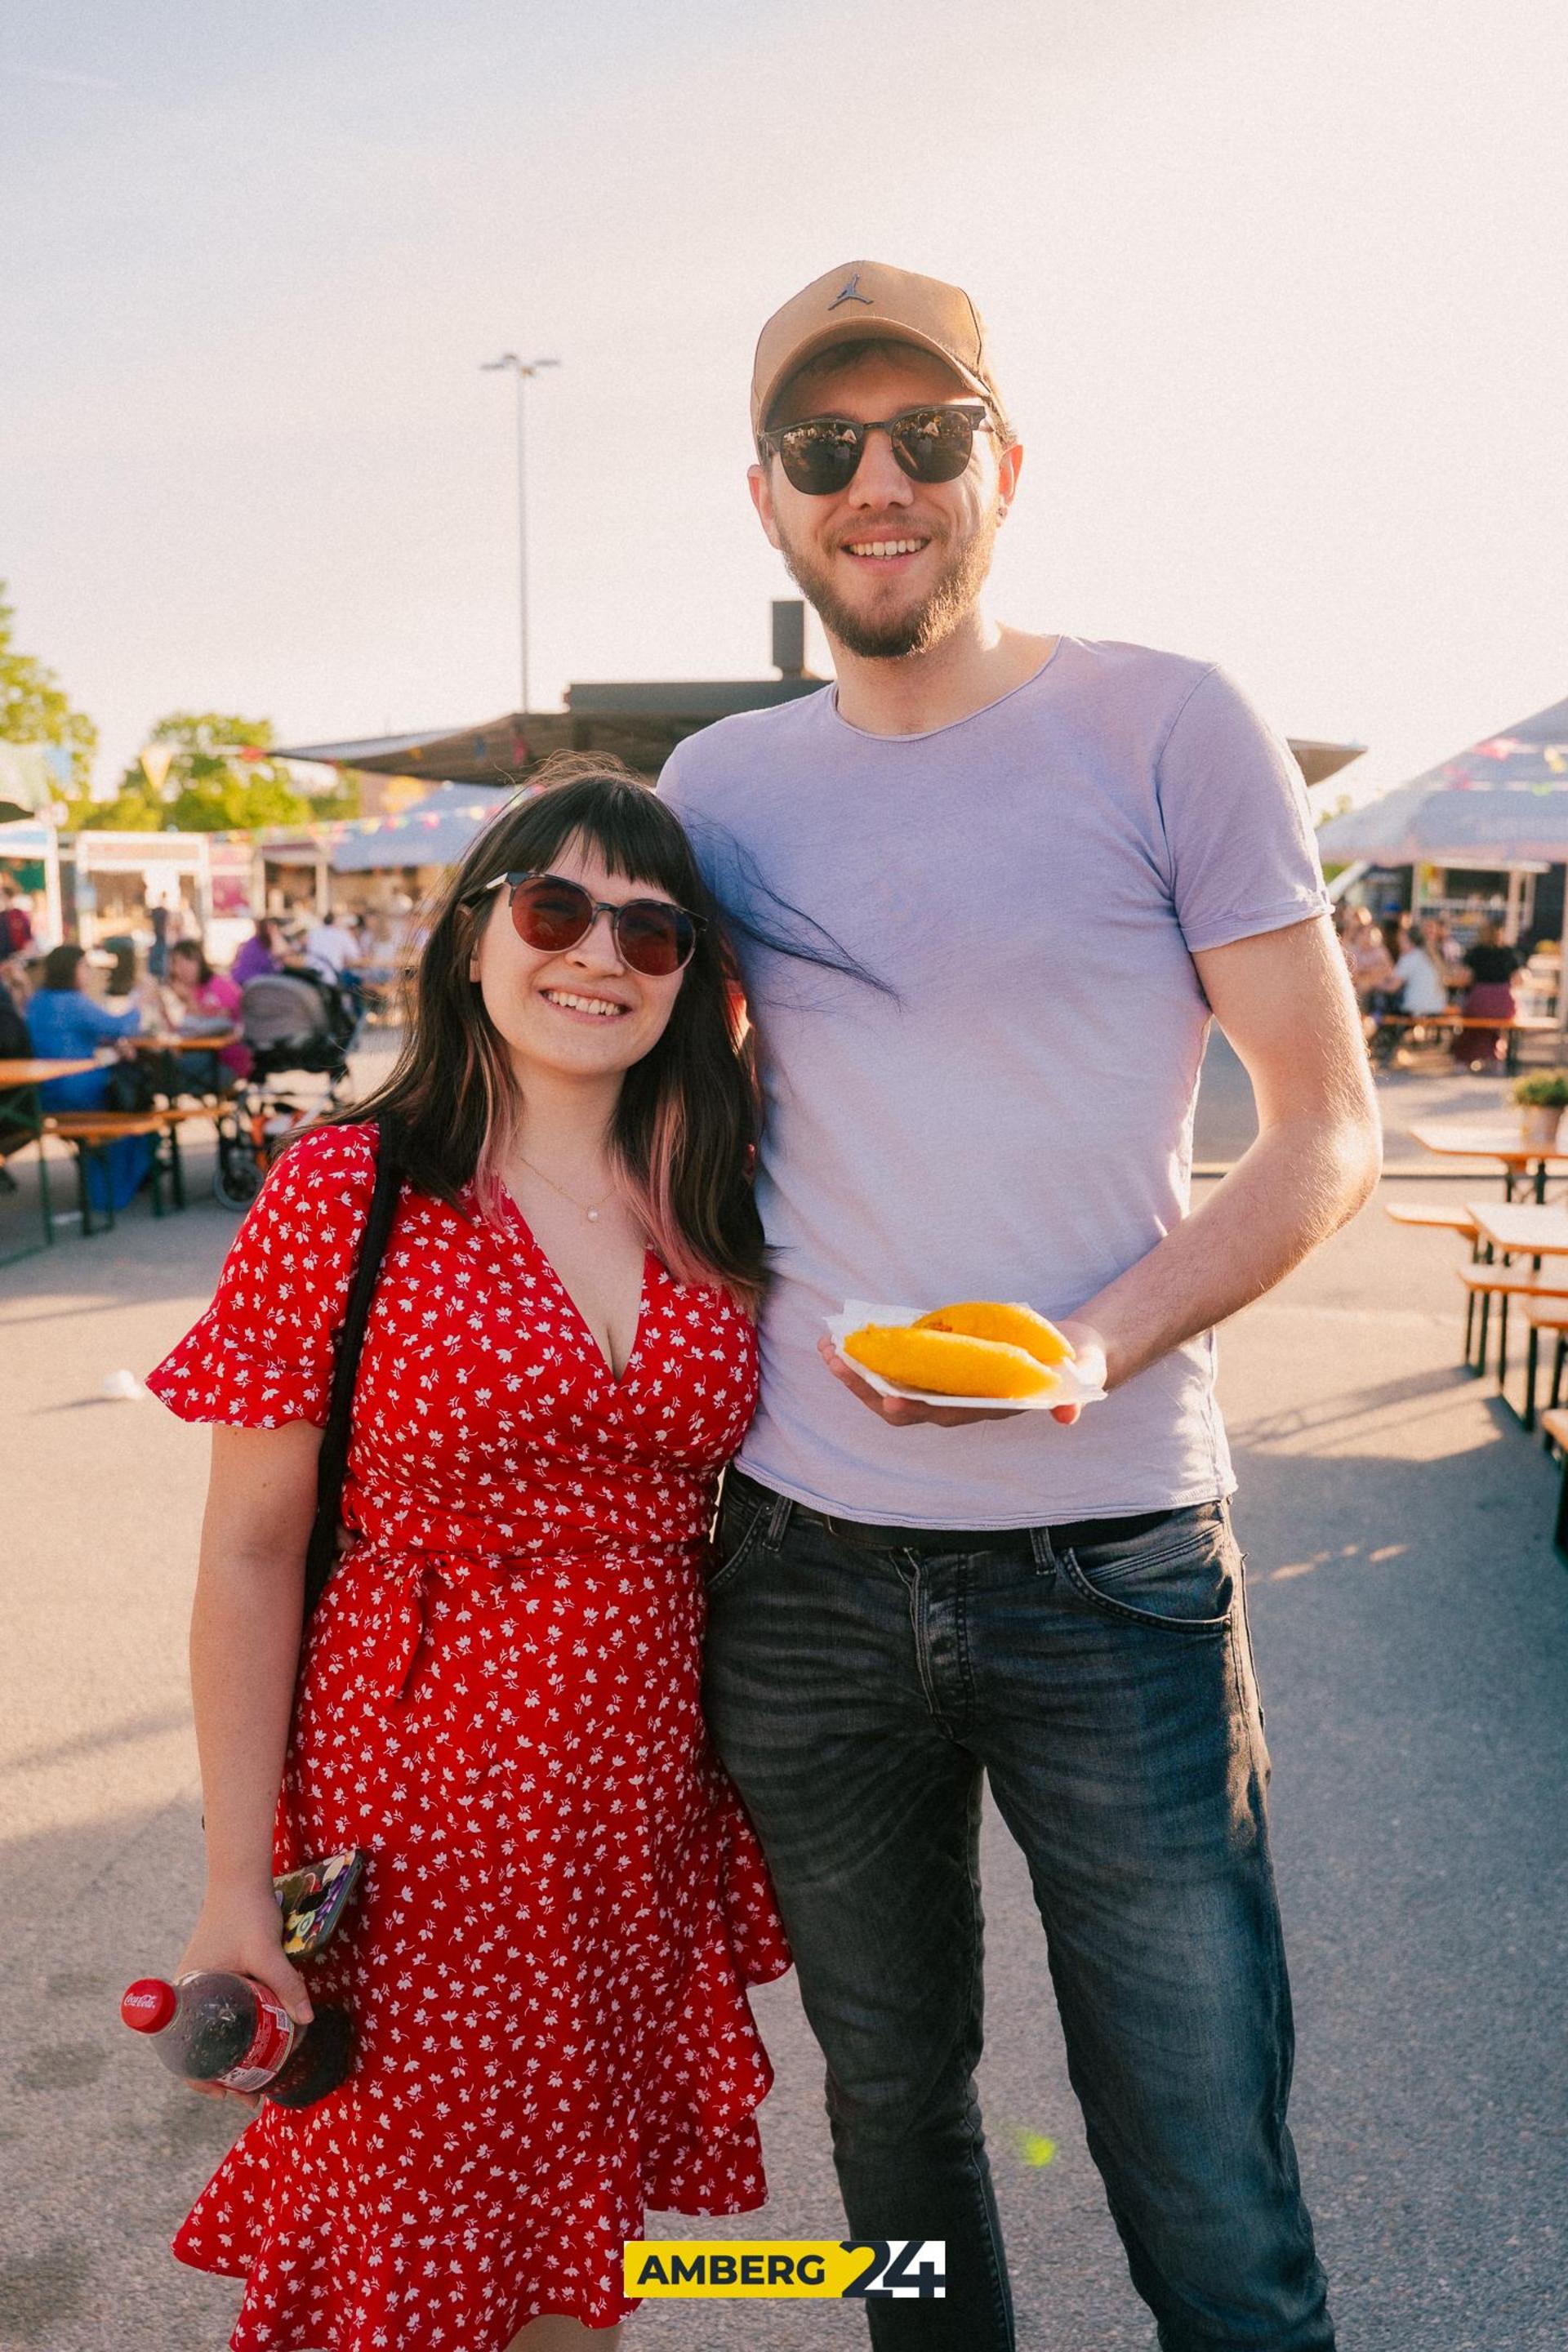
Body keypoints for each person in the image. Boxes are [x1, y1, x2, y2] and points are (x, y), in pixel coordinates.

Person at [660, 261, 1381, 2352]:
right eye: (825, 446)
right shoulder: (716, 789)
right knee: (890, 2119)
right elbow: (631, 1109)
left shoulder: (1171, 722)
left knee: (1203, 2163)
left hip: (1112, 1558)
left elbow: (1327, 1130)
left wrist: (1091, 1345)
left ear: (1007, 462)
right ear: (769, 497)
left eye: (928, 435)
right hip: (798, 1565)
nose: (876, 481)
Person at [144, 764, 791, 2350]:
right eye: (557, 909)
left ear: (692, 980)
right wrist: (234, 1887)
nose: (600, 955)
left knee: (572, 2235)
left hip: (636, 1816)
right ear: (473, 938)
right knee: (411, 2243)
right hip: (416, 1809)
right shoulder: (345, 1187)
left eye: (652, 932)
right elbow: (249, 1556)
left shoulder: (718, 1192)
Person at [24, 942, 161, 1210]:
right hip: (80, 1092)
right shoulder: (74, 1002)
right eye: (84, 966)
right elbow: (120, 1026)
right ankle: (118, 1186)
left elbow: (70, 1036)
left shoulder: (38, 1001)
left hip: (47, 1095)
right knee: (137, 1105)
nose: (89, 972)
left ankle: (117, 1181)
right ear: (71, 969)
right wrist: (140, 1001)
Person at [163, 939, 252, 1089]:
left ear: (200, 962)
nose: (183, 969)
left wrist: (189, 1000)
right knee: (163, 1071)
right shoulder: (189, 991)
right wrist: (162, 1007)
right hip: (201, 1058)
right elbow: (179, 1032)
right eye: (177, 963)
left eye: (188, 961)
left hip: (226, 1062)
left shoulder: (220, 985)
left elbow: (220, 1024)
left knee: (169, 1073)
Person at [1452, 917, 1521, 1069]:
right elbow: (1519, 979)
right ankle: (1495, 1058)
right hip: (1503, 1003)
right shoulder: (1508, 953)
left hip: (1479, 1000)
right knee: (1495, 1026)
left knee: (1471, 1024)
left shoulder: (1475, 952)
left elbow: (1464, 978)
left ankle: (1463, 1059)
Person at [301, 902, 360, 980]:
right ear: (337, 920)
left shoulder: (314, 932)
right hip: (331, 977)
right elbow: (355, 956)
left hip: (311, 975)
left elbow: (304, 946)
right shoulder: (342, 934)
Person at [231, 915, 282, 986]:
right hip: (250, 981)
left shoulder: (256, 942)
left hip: (246, 980)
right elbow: (270, 965)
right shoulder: (258, 944)